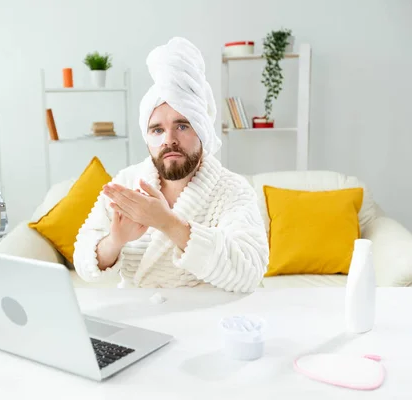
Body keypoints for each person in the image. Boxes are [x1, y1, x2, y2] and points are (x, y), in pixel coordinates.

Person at [73, 37, 269, 292]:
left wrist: (167, 222)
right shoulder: (127, 183)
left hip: (204, 319)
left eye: (182, 126)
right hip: (139, 317)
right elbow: (83, 262)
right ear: (147, 138)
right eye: (157, 130)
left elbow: (249, 271)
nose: (169, 140)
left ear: (202, 131)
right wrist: (115, 241)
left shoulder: (232, 190)